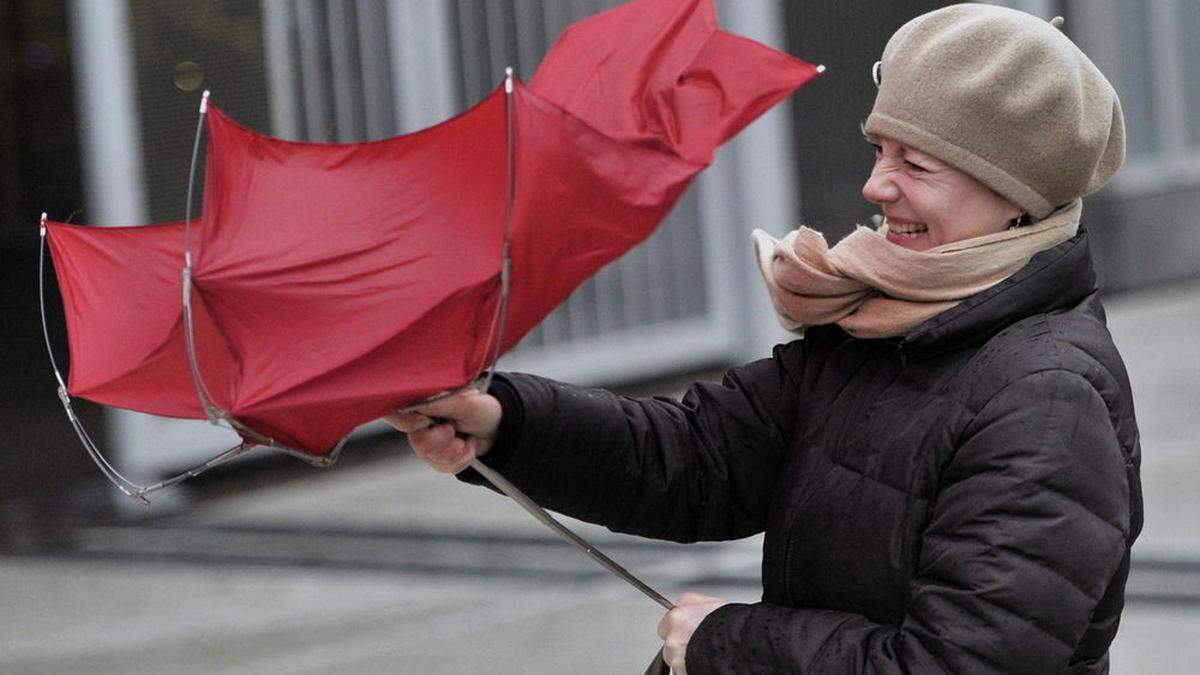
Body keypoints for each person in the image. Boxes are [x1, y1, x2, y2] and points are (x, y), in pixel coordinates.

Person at [385, 5, 1141, 673]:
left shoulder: (1048, 398)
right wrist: (505, 423)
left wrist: (728, 645)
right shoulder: (879, 321)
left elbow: (960, 662)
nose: (876, 186)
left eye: (915, 163)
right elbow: (693, 458)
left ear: (1016, 196)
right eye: (879, 150)